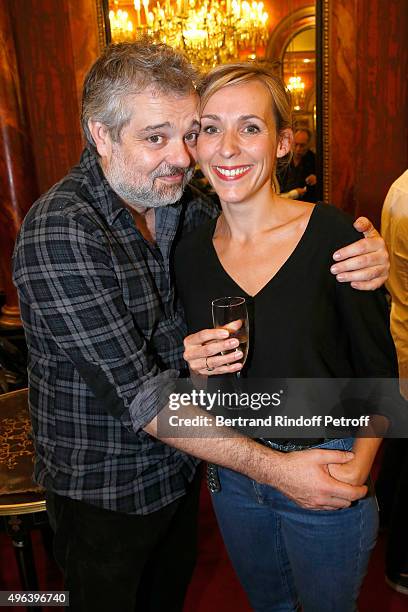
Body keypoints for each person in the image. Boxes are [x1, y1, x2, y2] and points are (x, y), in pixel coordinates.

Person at [12, 42, 389, 612]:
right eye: (156, 136)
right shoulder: (61, 232)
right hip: (108, 492)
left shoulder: (179, 208)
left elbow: (263, 221)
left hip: (191, 475)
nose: (185, 158)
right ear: (102, 135)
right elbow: (146, 398)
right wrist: (278, 471)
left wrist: (372, 257)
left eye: (189, 134)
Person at [175, 62, 398, 612]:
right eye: (210, 128)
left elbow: (379, 367)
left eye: (250, 127)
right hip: (234, 480)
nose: (228, 148)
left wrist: (358, 466)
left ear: (283, 143)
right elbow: (200, 386)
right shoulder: (187, 252)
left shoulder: (335, 235)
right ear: (195, 145)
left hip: (328, 463)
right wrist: (195, 366)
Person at [376, 169, 408, 595]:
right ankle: (401, 562)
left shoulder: (400, 185)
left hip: (399, 328)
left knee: (401, 450)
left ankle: (383, 518)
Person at [277, 127, 317, 201]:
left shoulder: (314, 160)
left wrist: (316, 179)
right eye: (296, 144)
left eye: (302, 145)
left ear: (308, 145)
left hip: (305, 203)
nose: (298, 149)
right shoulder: (282, 158)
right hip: (283, 201)